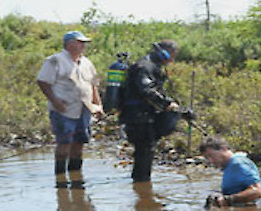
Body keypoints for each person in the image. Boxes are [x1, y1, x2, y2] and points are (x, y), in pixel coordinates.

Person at [120, 39, 193, 182]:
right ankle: (142, 186)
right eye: (173, 54)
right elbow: (147, 90)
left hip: (146, 114)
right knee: (145, 150)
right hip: (137, 115)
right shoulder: (144, 66)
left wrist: (172, 104)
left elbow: (157, 91)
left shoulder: (153, 66)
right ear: (164, 52)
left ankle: (141, 184)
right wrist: (167, 104)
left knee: (146, 150)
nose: (173, 59)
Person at [37, 31, 104, 176]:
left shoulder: (87, 62)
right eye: (80, 42)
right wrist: (55, 102)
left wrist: (98, 106)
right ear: (69, 44)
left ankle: (76, 179)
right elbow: (42, 82)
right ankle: (60, 181)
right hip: (63, 110)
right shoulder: (55, 60)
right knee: (64, 145)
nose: (83, 46)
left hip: (84, 110)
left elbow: (94, 85)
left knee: (79, 144)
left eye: (84, 43)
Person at [199, 136, 261, 207]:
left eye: (211, 155)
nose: (210, 161)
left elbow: (256, 192)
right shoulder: (229, 166)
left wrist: (227, 199)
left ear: (224, 149)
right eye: (207, 158)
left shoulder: (237, 163)